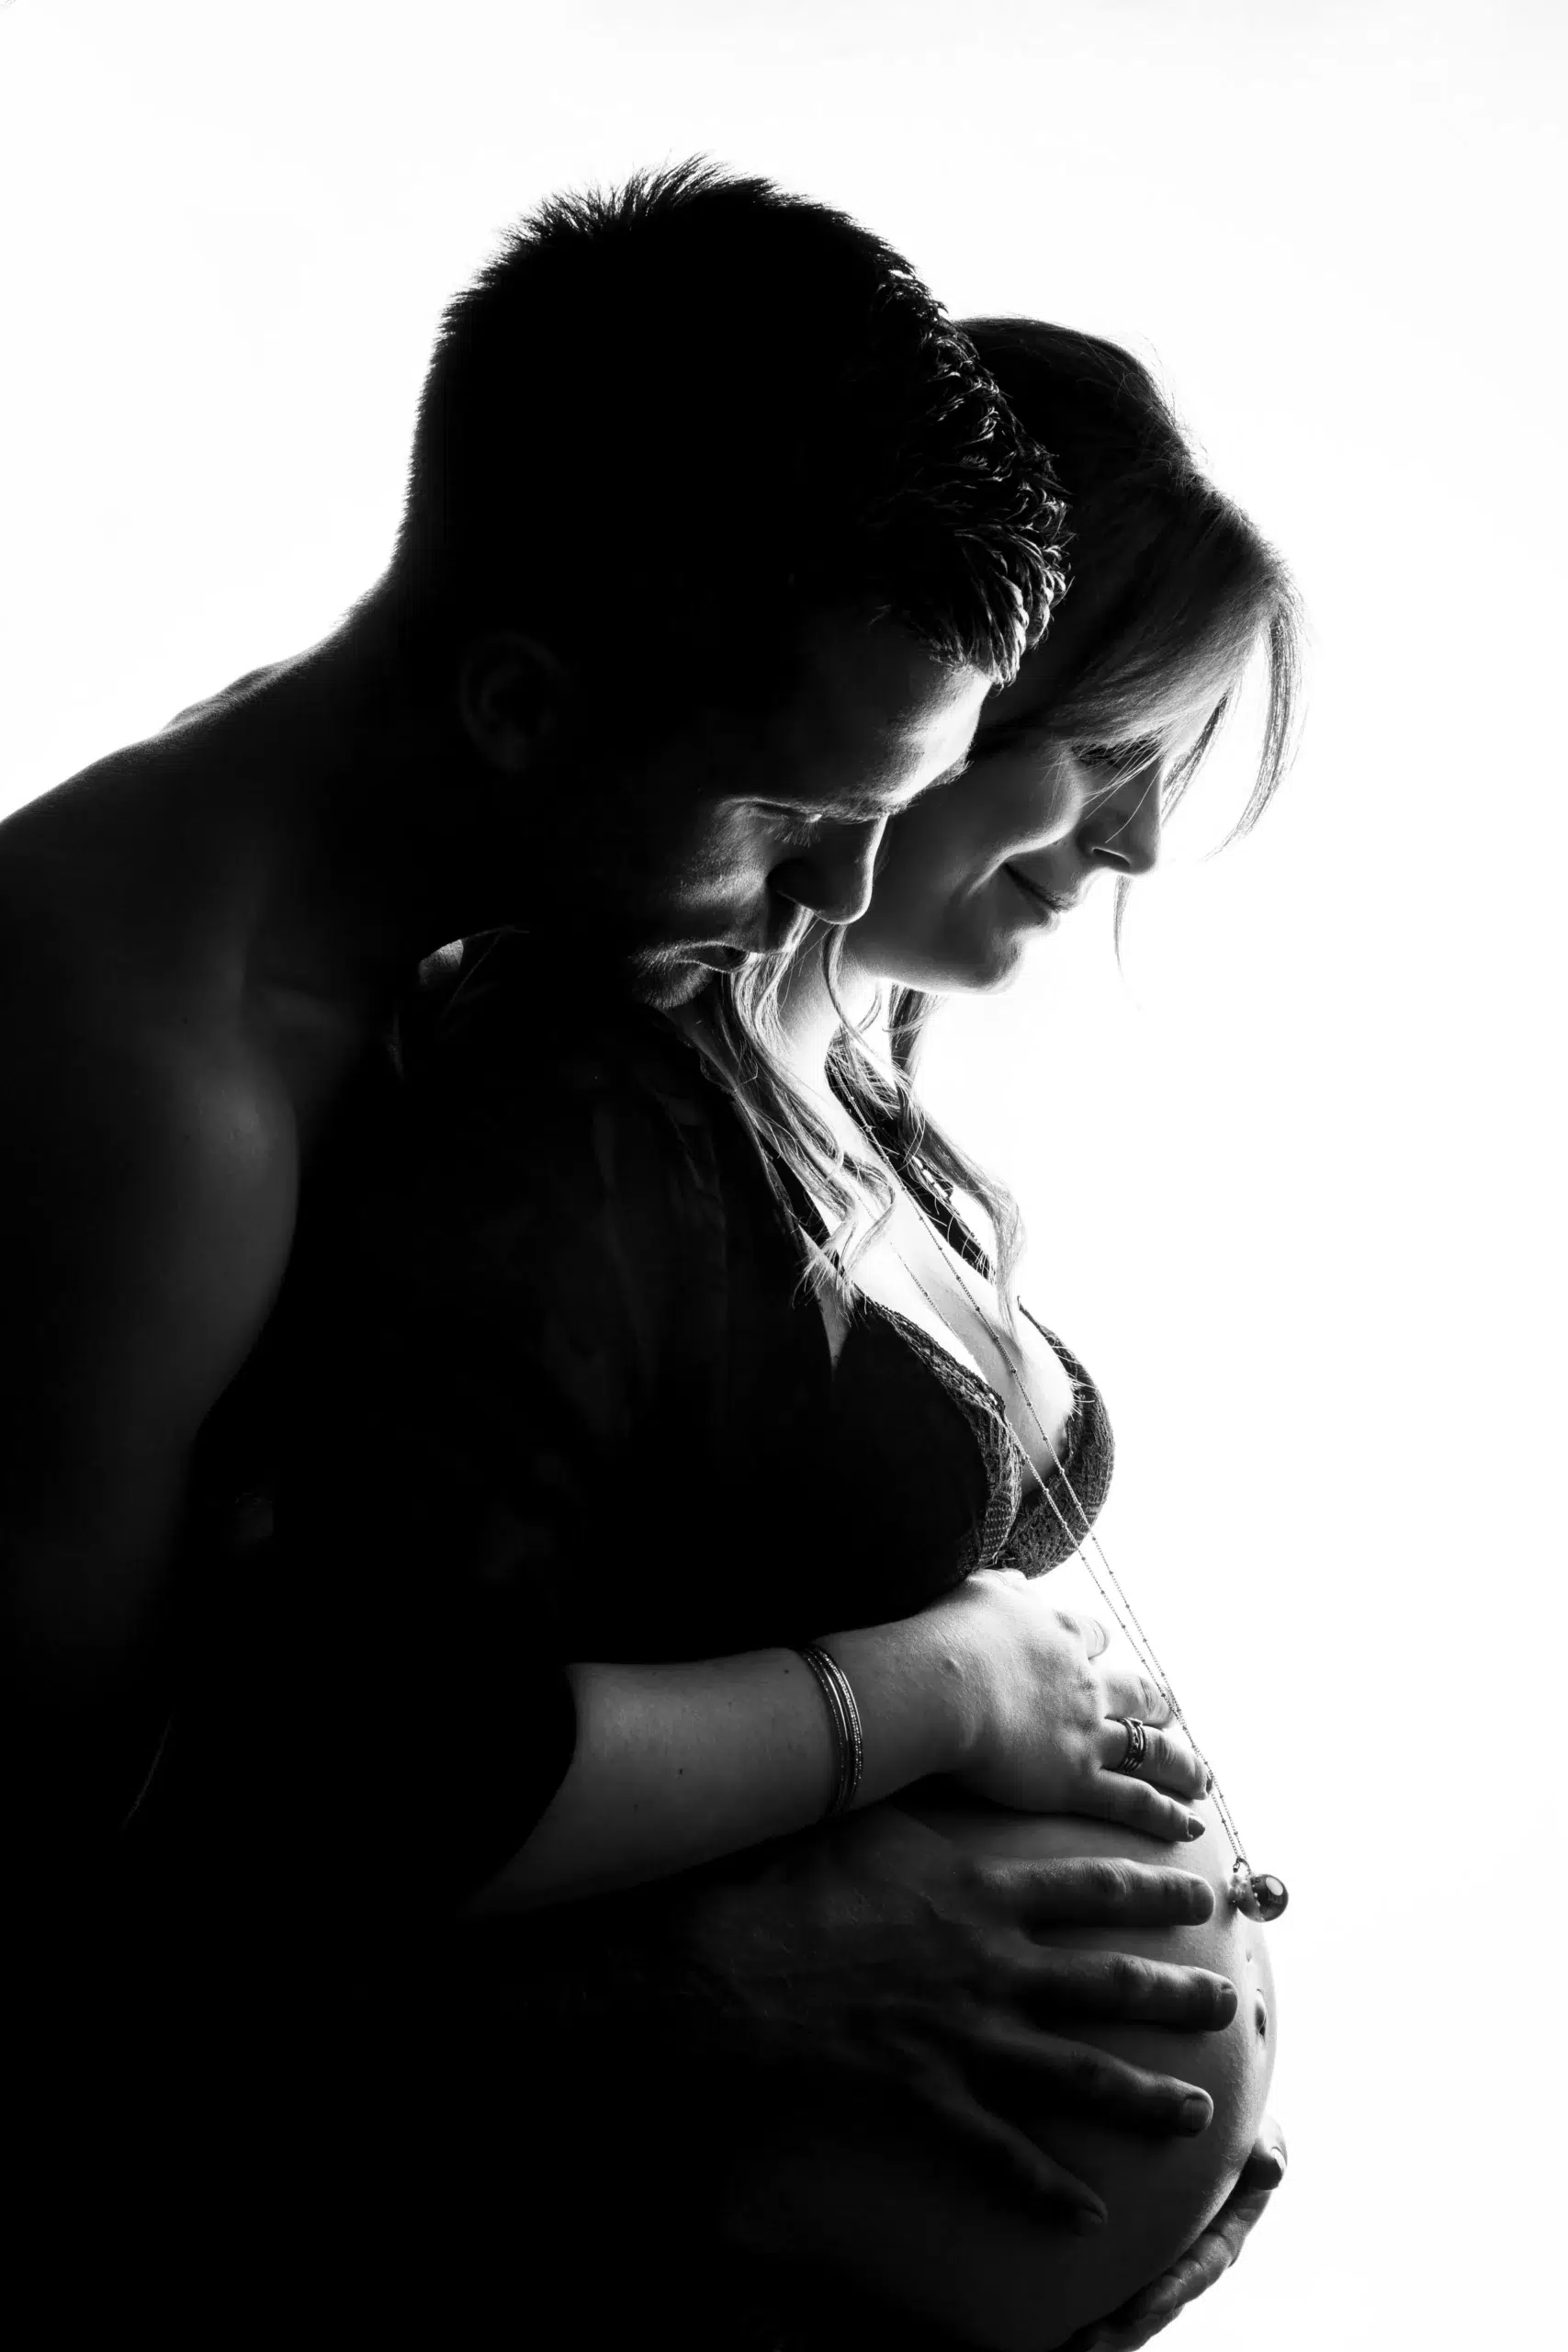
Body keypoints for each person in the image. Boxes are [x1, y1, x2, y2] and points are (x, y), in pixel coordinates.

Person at [0, 167, 1213, 2329]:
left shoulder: (428, 892)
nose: (845, 900)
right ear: (520, 706)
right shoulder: (140, 1095)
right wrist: (719, 1960)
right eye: (797, 817)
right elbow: (88, 1928)